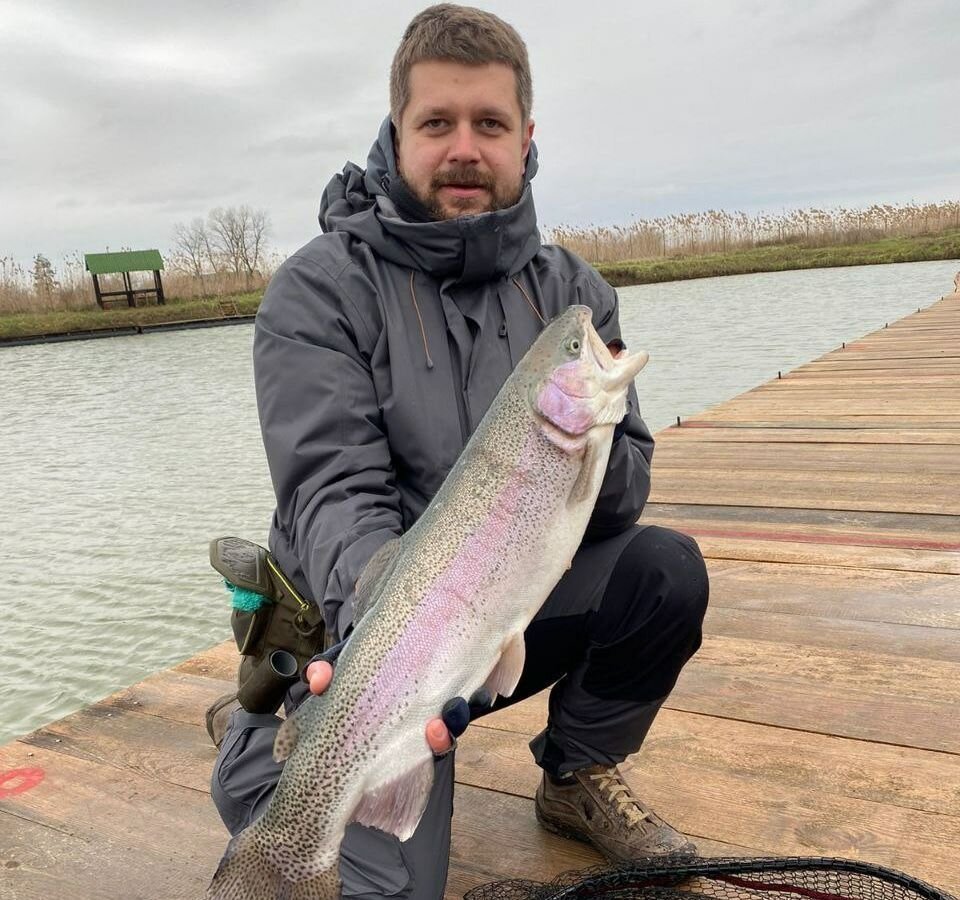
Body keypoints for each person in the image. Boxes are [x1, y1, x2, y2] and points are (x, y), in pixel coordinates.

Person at [208, 5, 709, 897]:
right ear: (397, 132)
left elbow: (626, 494)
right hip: (363, 636)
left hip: (502, 614)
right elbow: (333, 491)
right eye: (438, 123)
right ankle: (259, 748)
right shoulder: (316, 291)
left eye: (490, 124)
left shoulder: (572, 294)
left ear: (527, 138)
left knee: (664, 570)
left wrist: (585, 450)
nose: (465, 148)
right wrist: (385, 640)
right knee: (367, 871)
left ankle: (576, 771)